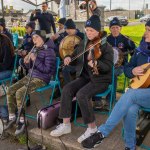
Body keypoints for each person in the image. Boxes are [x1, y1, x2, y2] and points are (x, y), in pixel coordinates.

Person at [81, 20, 150, 150]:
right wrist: (132, 71)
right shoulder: (141, 50)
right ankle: (130, 146)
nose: (145, 33)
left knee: (130, 94)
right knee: (130, 109)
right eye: (146, 29)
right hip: (140, 90)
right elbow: (128, 68)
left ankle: (102, 132)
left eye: (148, 30)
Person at [50, 15, 113, 144]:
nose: (89, 33)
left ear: (98, 31)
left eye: (92, 30)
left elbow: (108, 66)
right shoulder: (84, 42)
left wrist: (97, 64)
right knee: (67, 88)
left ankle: (92, 128)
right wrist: (68, 57)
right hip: (86, 77)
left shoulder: (106, 46)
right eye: (87, 29)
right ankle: (66, 124)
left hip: (101, 80)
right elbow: (74, 56)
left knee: (81, 95)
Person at [5, 30, 56, 135]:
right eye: (33, 38)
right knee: (10, 90)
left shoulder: (50, 51)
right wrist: (26, 62)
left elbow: (47, 70)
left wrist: (35, 59)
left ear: (42, 38)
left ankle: (23, 121)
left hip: (42, 79)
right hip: (31, 76)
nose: (34, 40)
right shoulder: (35, 49)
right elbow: (31, 68)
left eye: (37, 37)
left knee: (20, 92)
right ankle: (12, 117)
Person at [93, 17, 136, 110]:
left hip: (121, 66)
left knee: (112, 74)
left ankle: (110, 100)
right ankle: (97, 100)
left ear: (120, 28)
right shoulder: (106, 39)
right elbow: (99, 53)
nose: (115, 29)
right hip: (107, 65)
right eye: (113, 27)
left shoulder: (126, 40)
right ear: (109, 29)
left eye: (117, 27)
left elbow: (134, 54)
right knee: (95, 72)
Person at [59, 19, 84, 84]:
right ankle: (62, 86)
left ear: (74, 28)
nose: (68, 31)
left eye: (70, 29)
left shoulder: (81, 35)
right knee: (60, 66)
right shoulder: (65, 35)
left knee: (66, 69)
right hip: (68, 58)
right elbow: (62, 47)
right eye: (67, 29)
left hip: (79, 61)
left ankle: (70, 86)